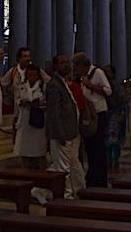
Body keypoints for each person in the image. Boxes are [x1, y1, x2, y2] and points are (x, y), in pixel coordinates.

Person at [46, 54, 85, 198]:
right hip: (61, 134)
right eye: (62, 63)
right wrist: (60, 133)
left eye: (67, 62)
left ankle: (79, 190)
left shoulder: (63, 82)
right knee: (63, 169)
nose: (66, 65)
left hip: (71, 133)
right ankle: (66, 197)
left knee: (73, 164)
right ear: (56, 66)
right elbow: (53, 112)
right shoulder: (54, 85)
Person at [72, 51, 111, 187]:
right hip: (89, 115)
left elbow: (108, 91)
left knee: (98, 147)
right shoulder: (83, 77)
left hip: (99, 114)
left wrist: (90, 85)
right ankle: (92, 176)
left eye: (76, 66)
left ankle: (100, 178)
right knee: (90, 148)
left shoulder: (98, 73)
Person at [13, 62, 48, 169]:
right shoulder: (22, 86)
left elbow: (47, 102)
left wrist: (40, 104)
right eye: (29, 75)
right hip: (25, 120)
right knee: (25, 151)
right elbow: (17, 100)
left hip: (38, 122)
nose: (31, 77)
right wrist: (22, 102)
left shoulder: (43, 87)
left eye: (34, 75)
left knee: (39, 151)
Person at [104, 64, 126, 174]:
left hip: (115, 114)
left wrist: (122, 113)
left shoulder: (117, 85)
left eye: (108, 71)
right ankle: (107, 160)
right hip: (106, 114)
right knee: (106, 139)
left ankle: (115, 159)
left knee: (114, 139)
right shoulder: (103, 84)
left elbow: (122, 99)